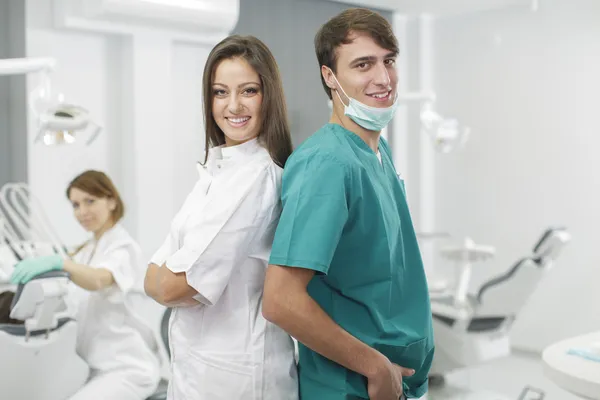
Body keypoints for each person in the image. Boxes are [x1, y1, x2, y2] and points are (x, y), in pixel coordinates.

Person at [262, 8, 435, 400]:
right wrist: (376, 367)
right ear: (330, 77)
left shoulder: (377, 150)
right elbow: (281, 300)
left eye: (389, 61)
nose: (383, 78)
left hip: (396, 383)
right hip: (353, 388)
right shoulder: (327, 163)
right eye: (363, 64)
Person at [143, 35, 298, 400]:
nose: (233, 105)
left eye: (248, 90)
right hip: (202, 371)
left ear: (268, 96)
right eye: (219, 92)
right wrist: (163, 279)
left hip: (239, 377)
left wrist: (164, 279)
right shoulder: (217, 172)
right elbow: (153, 274)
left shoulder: (255, 178)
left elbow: (172, 286)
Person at [10, 170, 161, 400]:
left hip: (126, 368)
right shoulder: (86, 250)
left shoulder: (123, 247)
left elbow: (98, 279)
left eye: (90, 201)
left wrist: (60, 262)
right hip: (91, 367)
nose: (82, 212)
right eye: (75, 205)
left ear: (111, 201)